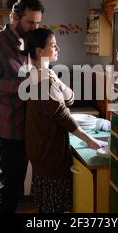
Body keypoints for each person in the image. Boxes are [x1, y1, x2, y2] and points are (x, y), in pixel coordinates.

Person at [22, 28, 103, 213]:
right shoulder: (43, 80)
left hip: (41, 151)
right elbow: (62, 115)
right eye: (52, 44)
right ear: (39, 51)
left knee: (47, 207)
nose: (58, 47)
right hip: (49, 153)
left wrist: (57, 81)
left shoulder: (38, 74)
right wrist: (89, 140)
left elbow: (71, 98)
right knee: (53, 209)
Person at [0, 0, 44, 213]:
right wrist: (24, 84)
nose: (34, 28)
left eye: (38, 23)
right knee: (10, 189)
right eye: (30, 22)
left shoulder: (26, 44)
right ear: (15, 17)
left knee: (15, 188)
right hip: (7, 129)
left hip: (25, 128)